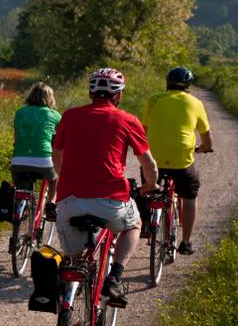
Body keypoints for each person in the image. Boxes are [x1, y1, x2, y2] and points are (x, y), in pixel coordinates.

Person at [52, 68, 158, 307]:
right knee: (134, 224)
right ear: (118, 96)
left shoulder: (69, 116)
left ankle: (67, 305)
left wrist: (68, 179)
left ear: (91, 93)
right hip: (110, 202)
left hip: (68, 202)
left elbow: (56, 156)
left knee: (75, 261)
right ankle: (115, 278)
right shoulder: (128, 120)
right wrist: (150, 185)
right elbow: (148, 164)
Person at [141, 66, 213, 255]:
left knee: (148, 189)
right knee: (189, 196)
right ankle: (186, 242)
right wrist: (204, 148)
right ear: (188, 85)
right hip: (181, 161)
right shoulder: (195, 103)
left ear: (168, 82)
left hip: (153, 159)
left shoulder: (153, 100)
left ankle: (147, 224)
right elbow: (206, 137)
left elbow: (145, 129)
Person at [11, 82, 61, 224]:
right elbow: (58, 143)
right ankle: (51, 204)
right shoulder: (55, 115)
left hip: (18, 160)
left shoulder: (20, 112)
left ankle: (21, 208)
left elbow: (16, 138)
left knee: (21, 186)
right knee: (55, 178)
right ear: (50, 98)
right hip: (43, 160)